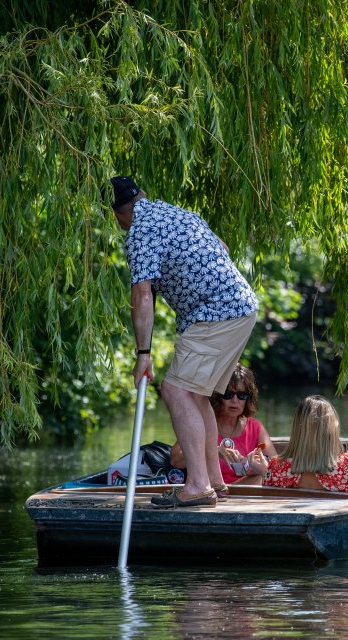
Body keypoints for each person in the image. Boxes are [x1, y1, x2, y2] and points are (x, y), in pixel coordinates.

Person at [109, 175, 259, 509]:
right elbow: (221, 247)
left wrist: (143, 354)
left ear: (118, 213)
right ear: (143, 196)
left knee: (176, 390)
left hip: (216, 313)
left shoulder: (139, 234)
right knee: (196, 394)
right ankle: (214, 482)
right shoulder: (176, 213)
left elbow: (142, 293)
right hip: (241, 306)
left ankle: (197, 486)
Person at [170, 364, 278, 488]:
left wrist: (256, 466)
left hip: (243, 490)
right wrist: (214, 451)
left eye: (242, 395)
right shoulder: (201, 421)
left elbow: (275, 465)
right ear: (217, 396)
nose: (235, 401)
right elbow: (176, 461)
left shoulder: (255, 427)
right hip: (209, 489)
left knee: (262, 476)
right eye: (228, 394)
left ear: (248, 399)